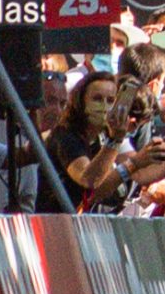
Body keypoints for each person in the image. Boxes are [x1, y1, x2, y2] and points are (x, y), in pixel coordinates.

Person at [41, 71, 130, 212]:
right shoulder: (65, 136)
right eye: (97, 99)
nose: (104, 107)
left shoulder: (100, 139)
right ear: (80, 102)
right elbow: (88, 179)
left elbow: (103, 187)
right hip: (50, 221)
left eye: (111, 101)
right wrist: (115, 141)